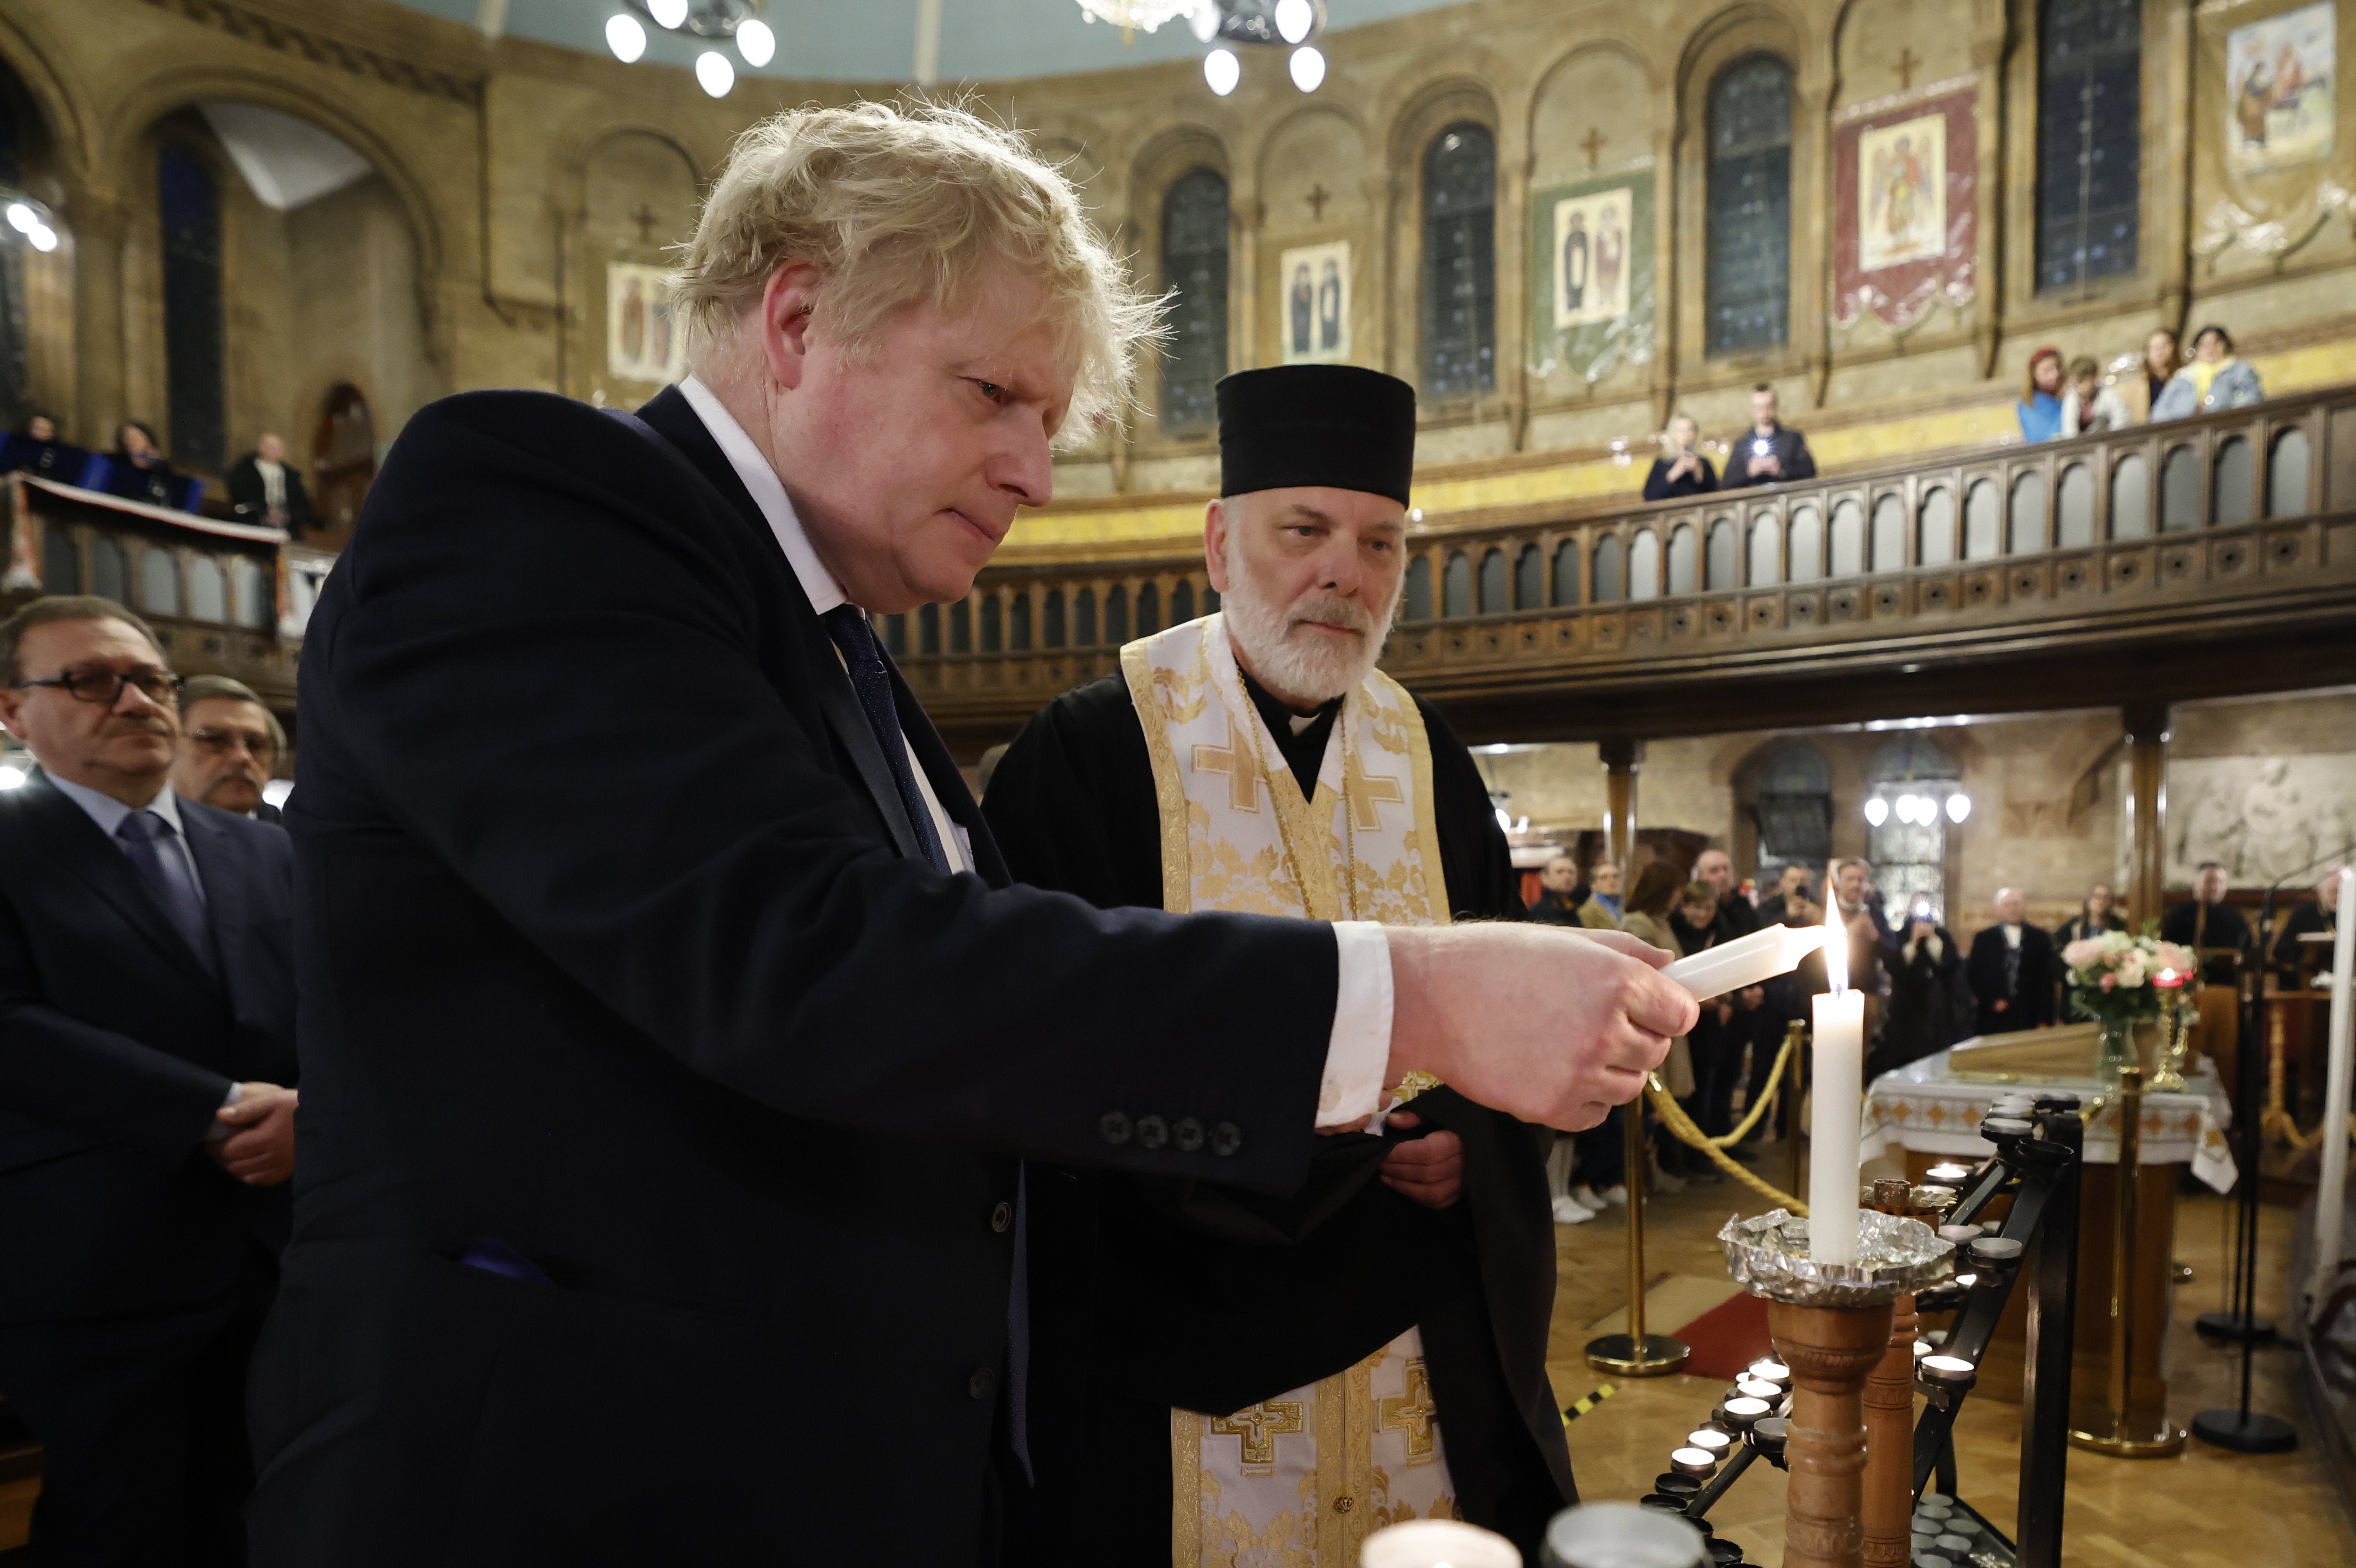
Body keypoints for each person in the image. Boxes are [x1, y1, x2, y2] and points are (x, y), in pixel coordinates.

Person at [242, 102, 1693, 1566]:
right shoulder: (533, 503)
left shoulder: (844, 653)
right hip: (572, 1486)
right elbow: (815, 960)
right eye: (993, 393)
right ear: (798, 317)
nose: (1034, 473)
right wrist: (1420, 995)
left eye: (1049, 423)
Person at [982, 363, 1575, 1564]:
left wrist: (1477, 1143)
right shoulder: (1093, 751)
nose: (1342, 575)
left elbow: (1500, 1008)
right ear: (1218, 541)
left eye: (1379, 544)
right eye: (1302, 532)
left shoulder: (1430, 758)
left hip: (1409, 1319)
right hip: (1176, 1325)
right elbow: (1035, 1051)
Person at [0, 596, 299, 1567]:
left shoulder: (265, 846)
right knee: (117, 1526)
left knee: (266, 1512)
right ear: (13, 711)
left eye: (152, 679)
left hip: (279, 1245)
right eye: (91, 680)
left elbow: (341, 1006)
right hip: (97, 1257)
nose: (134, 699)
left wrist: (315, 1112)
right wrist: (208, 1110)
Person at [173, 674, 286, 821]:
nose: (242, 757)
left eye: (256, 745)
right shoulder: (141, 836)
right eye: (214, 740)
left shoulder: (298, 839)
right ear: (167, 750)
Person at [1880, 906, 1967, 1072]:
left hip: (1938, 1007)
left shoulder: (1942, 936)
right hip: (1908, 1007)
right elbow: (1896, 966)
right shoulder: (1901, 935)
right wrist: (1914, 941)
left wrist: (1932, 938)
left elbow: (1950, 964)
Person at [1966, 888, 2059, 1036]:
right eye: (2007, 905)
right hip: (1993, 1016)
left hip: (2030, 1015)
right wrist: (1991, 1000)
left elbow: (2047, 979)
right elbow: (1974, 974)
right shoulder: (1984, 939)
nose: (2013, 909)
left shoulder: (2040, 938)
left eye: (2016, 904)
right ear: (1999, 909)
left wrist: (2046, 1018)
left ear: (2024, 906)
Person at [2160, 861, 2255, 985]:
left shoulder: (2234, 917)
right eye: (2209, 881)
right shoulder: (2179, 915)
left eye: (2220, 883)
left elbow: (2248, 951)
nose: (2215, 888)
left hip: (2225, 985)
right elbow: (2167, 947)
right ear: (2195, 884)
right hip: (2185, 982)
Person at [2151, 325, 2265, 420]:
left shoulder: (2240, 371)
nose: (2210, 349)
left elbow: (2253, 396)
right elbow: (2159, 413)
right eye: (2204, 345)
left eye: (2215, 343)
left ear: (2225, 345)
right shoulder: (2183, 378)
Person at [1722, 384, 1817, 490]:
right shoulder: (1742, 445)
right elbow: (1727, 482)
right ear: (1752, 410)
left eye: (1768, 406)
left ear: (1776, 406)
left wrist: (1781, 470)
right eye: (1759, 408)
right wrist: (1749, 472)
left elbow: (1809, 472)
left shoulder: (1793, 439)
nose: (1764, 412)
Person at [226, 433, 318, 537]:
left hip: (286, 526)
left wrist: (287, 514)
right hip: (254, 521)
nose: (273, 451)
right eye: (270, 447)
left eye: (277, 448)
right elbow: (241, 495)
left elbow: (302, 504)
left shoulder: (290, 476)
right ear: (261, 448)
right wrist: (264, 512)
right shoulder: (247, 471)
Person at [2273, 868, 2344, 986]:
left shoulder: (2352, 914)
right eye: (2334, 891)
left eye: (2343, 892)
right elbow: (2281, 953)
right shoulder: (2304, 915)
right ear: (2321, 891)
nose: (2338, 896)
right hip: (2306, 983)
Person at [103, 421, 185, 509]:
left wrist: (155, 463)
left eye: (136, 438)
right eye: (127, 439)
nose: (131, 442)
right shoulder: (121, 463)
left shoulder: (161, 465)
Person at [1642, 413, 1717, 501]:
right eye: (1680, 431)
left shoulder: (1704, 463)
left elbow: (1715, 491)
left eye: (1690, 430)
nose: (1686, 434)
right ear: (1673, 434)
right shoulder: (1662, 463)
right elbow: (1650, 496)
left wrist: (1699, 472)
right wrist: (1674, 473)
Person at [0, 411, 89, 484]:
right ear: (30, 429)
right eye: (38, 428)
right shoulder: (17, 443)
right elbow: (7, 466)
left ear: (52, 433)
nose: (42, 433)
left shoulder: (59, 450)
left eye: (46, 430)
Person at [1694, 847, 1757, 940]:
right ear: (1700, 877)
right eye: (1714, 871)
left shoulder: (1742, 903)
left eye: (1726, 869)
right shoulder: (1697, 909)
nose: (1723, 876)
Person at [2060, 356, 2130, 436]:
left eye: (2081, 382)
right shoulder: (2071, 398)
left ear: (2095, 377)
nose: (2079, 390)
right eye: (2074, 385)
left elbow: (2121, 421)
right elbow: (2069, 431)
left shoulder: (2108, 394)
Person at [2016, 346, 2065, 442]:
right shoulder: (2029, 404)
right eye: (2048, 370)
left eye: (2058, 367)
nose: (2056, 374)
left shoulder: (2065, 396)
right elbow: (2041, 438)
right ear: (2034, 374)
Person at [1526, 854, 1587, 925]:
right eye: (1560, 872)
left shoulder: (1584, 906)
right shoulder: (1537, 914)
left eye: (1571, 872)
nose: (1567, 876)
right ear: (1545, 878)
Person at [1587, 858, 1625, 924]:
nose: (1612, 881)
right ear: (1594, 885)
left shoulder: (1626, 907)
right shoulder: (1588, 912)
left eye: (1616, 876)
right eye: (1604, 878)